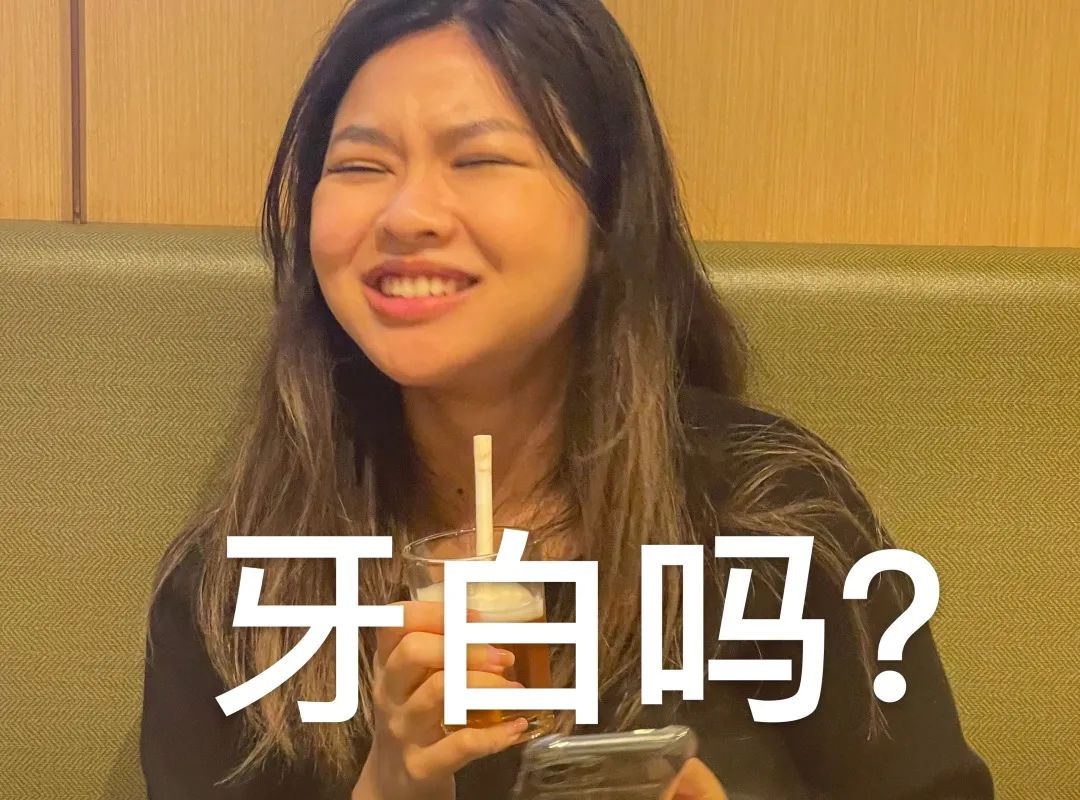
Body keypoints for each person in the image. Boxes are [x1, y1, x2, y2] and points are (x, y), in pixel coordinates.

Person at [140, 1, 994, 798]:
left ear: (607, 213)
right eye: (362, 166)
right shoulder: (240, 589)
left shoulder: (775, 517)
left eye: (478, 159)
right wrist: (390, 786)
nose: (406, 214)